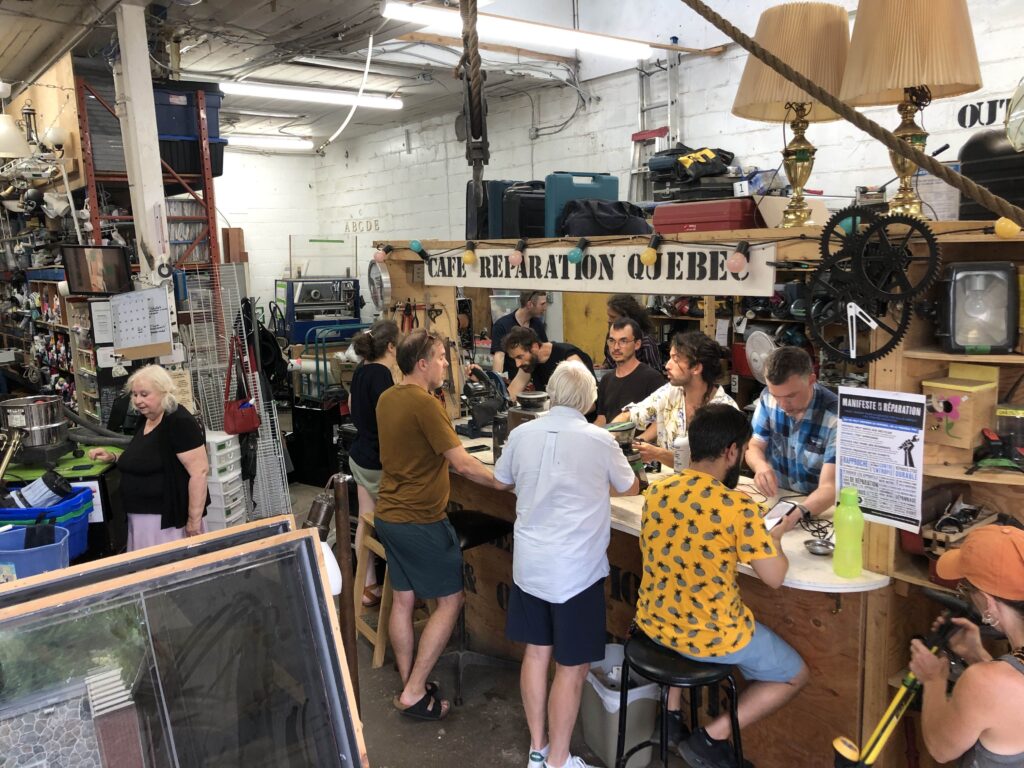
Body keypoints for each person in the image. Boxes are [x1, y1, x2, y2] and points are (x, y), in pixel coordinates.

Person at [636, 404, 809, 768]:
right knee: (795, 674)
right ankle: (711, 738)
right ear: (732, 451)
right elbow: (774, 578)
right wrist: (775, 536)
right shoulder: (737, 507)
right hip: (708, 635)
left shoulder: (658, 491)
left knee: (682, 606)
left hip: (654, 622)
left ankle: (668, 719)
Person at [495, 360, 638, 768]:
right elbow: (630, 487)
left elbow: (503, 479)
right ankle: (559, 760)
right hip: (577, 571)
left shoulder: (521, 433)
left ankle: (537, 750)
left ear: (552, 393)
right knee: (571, 667)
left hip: (531, 566)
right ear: (591, 399)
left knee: (536, 655)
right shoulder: (600, 440)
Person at [375, 328, 512, 721]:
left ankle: (411, 685)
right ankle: (415, 691)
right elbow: (462, 462)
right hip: (420, 521)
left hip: (391, 515)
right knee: (451, 601)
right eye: (438, 358)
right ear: (421, 364)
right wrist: (502, 480)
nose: (443, 365)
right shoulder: (425, 404)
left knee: (404, 600)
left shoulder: (389, 398)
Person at [908, 526, 1024, 767]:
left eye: (967, 589)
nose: (967, 596)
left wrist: (933, 679)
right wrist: (977, 656)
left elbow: (941, 749)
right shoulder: (997, 682)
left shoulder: (986, 683)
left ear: (989, 603)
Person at [89, 364, 209, 551]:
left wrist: (194, 521)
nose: (137, 400)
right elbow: (146, 459)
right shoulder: (147, 418)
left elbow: (199, 473)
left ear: (164, 392)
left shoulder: (179, 422)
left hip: (167, 524)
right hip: (141, 518)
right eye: (135, 395)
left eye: (144, 394)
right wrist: (114, 457)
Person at [613, 330, 737, 468]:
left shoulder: (724, 410)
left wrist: (658, 454)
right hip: (667, 482)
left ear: (696, 368)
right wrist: (608, 435)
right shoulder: (671, 391)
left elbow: (705, 467)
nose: (667, 365)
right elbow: (632, 415)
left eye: (675, 359)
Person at [744, 346, 837, 516]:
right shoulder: (767, 398)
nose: (782, 404)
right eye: (776, 396)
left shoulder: (835, 418)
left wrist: (794, 515)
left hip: (817, 508)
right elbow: (754, 447)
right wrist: (760, 466)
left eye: (790, 396)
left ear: (811, 380)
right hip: (777, 498)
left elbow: (829, 488)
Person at [347, 318, 400, 607]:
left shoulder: (362, 370)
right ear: (391, 347)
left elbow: (353, 406)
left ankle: (368, 586)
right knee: (400, 525)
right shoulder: (381, 374)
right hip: (379, 463)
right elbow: (391, 419)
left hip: (361, 456)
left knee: (366, 522)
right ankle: (405, 589)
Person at [593, 318, 664, 426]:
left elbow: (660, 421)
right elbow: (602, 418)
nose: (616, 347)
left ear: (637, 344)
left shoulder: (652, 379)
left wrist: (639, 441)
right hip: (609, 440)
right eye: (612, 341)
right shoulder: (606, 380)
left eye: (623, 341)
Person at [504, 326, 595, 402]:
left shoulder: (569, 358)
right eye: (514, 359)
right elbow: (511, 394)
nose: (517, 364)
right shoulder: (530, 363)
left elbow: (587, 401)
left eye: (520, 357)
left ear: (535, 347)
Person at [492, 290, 549, 380]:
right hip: (513, 381)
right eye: (542, 304)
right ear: (530, 304)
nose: (545, 308)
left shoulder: (538, 324)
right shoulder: (502, 325)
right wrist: (497, 384)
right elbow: (499, 356)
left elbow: (544, 351)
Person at [603, 294, 662, 371]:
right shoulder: (612, 336)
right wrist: (605, 366)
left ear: (627, 317)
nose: (609, 320)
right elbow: (611, 362)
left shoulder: (647, 343)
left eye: (613, 317)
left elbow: (655, 375)